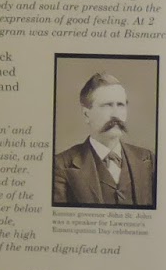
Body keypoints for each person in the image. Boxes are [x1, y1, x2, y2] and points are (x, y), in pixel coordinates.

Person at [53, 72, 156, 207]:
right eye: (107, 105)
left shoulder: (147, 159)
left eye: (120, 105)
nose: (116, 114)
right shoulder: (62, 165)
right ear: (86, 114)